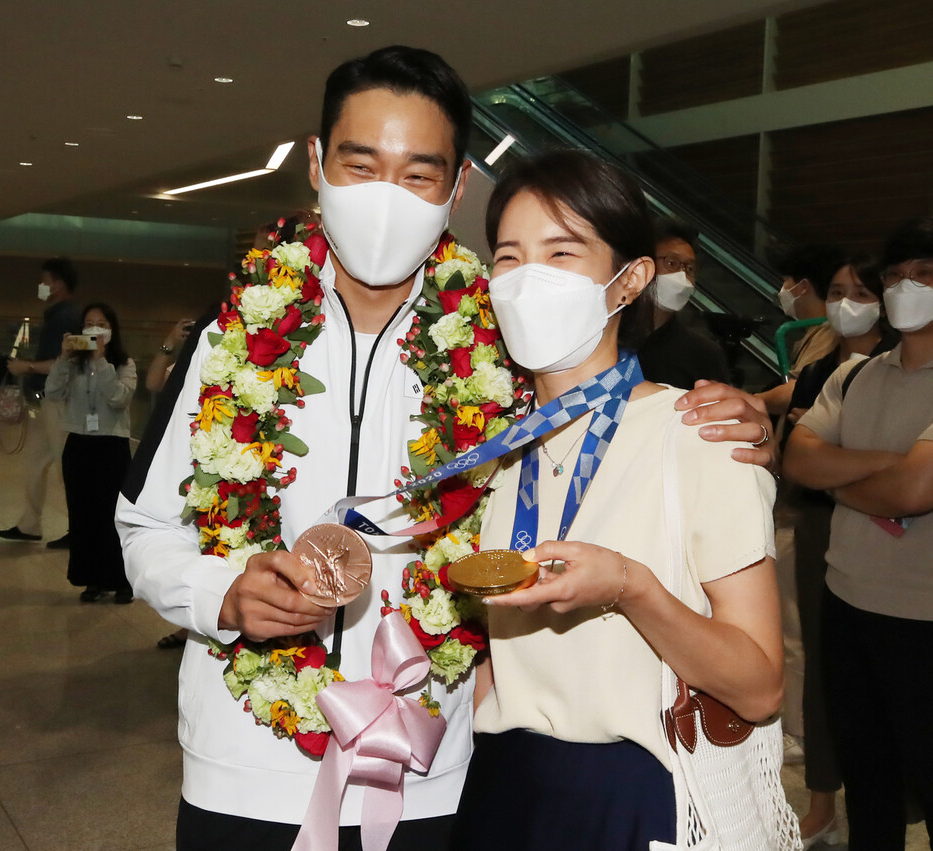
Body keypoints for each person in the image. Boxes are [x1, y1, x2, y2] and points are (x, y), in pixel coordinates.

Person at [116, 46, 779, 849]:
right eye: (361, 166)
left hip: (434, 774)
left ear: (457, 187)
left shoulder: (502, 358)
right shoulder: (229, 342)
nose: (386, 198)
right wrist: (220, 595)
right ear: (318, 164)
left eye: (419, 174)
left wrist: (747, 414)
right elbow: (144, 529)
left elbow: (610, 397)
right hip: (245, 762)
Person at [451, 150, 784, 850]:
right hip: (504, 781)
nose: (527, 277)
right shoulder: (498, 451)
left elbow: (759, 686)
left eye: (561, 251)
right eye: (509, 256)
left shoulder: (698, 435)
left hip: (634, 792)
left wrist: (634, 588)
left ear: (630, 279)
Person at [783, 217, 933, 851]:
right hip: (848, 603)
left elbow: (913, 493)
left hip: (922, 617)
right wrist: (886, 463)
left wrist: (842, 478)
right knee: (867, 783)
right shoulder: (858, 374)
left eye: (923, 277)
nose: (905, 289)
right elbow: (799, 459)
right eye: (896, 277)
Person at [780, 254, 897, 846]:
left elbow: (915, 485)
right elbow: (797, 457)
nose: (847, 302)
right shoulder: (831, 367)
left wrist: (833, 459)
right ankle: (825, 801)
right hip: (825, 530)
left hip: (901, 562)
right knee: (830, 669)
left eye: (861, 291)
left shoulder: (898, 370)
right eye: (836, 291)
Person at [46, 302, 137, 603]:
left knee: (113, 516)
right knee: (83, 515)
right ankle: (92, 579)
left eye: (101, 323)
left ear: (112, 329)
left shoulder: (124, 364)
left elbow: (118, 399)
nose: (95, 329)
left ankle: (121, 580)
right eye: (89, 323)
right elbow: (52, 392)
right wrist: (63, 357)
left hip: (112, 446)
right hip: (79, 445)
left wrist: (99, 361)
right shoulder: (72, 365)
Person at [0, 257, 80, 546]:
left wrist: (27, 367)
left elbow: (63, 361)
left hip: (60, 402)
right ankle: (29, 524)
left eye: (44, 281)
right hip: (47, 402)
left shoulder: (66, 317)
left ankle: (78, 528)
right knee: (35, 463)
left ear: (57, 284)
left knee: (65, 466)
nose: (41, 286)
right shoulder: (58, 315)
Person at [637, 216, 731, 389]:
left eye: (689, 269)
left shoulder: (703, 354)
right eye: (671, 263)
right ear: (642, 265)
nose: (682, 276)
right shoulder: (609, 337)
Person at [758, 244, 844, 416]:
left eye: (785, 281)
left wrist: (750, 400)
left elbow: (795, 393)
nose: (782, 290)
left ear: (803, 286)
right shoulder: (816, 331)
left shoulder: (829, 333)